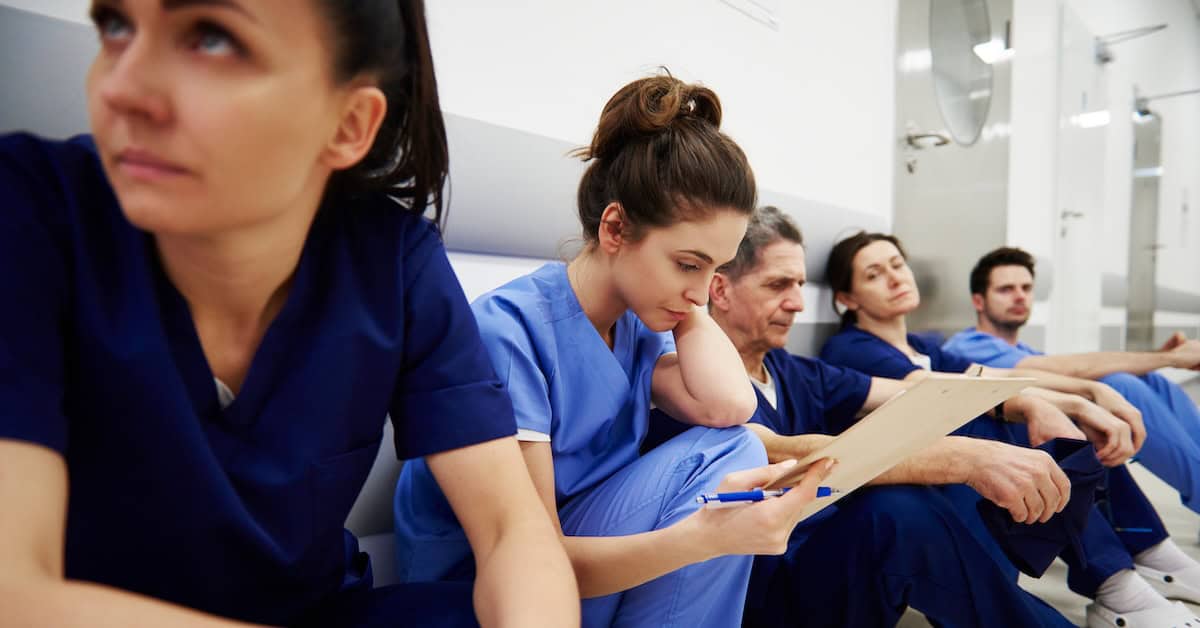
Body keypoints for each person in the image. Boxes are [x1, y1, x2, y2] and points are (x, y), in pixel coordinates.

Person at [0, 1, 578, 626]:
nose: (120, 89)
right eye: (116, 27)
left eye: (212, 38)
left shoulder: (392, 260)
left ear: (349, 124)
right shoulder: (32, 211)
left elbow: (511, 529)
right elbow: (15, 593)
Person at [394, 74, 832, 628]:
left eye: (716, 269)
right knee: (729, 465)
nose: (703, 292)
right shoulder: (509, 330)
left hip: (583, 552)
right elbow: (530, 558)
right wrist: (700, 540)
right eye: (688, 263)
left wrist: (688, 299)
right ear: (615, 228)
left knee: (738, 446)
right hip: (491, 586)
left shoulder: (637, 326)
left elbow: (729, 409)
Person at [646, 206, 1078, 627]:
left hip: (822, 563)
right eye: (779, 285)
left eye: (799, 284)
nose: (797, 304)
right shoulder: (690, 385)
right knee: (895, 515)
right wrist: (965, 459)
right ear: (719, 290)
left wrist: (1026, 403)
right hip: (761, 593)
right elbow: (782, 457)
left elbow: (917, 393)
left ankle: (1011, 597)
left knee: (973, 430)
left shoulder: (792, 371)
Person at [820, 231, 1200, 626]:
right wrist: (1054, 403)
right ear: (847, 298)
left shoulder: (925, 346)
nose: (896, 278)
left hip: (964, 492)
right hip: (924, 501)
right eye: (874, 274)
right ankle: (1118, 586)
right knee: (1000, 422)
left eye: (898, 265)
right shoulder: (851, 348)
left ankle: (1134, 574)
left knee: (1049, 422)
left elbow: (1001, 377)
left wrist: (1086, 394)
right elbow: (951, 393)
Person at [944, 246, 1200, 522]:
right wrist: (1170, 358)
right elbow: (1075, 369)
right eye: (1006, 289)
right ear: (979, 301)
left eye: (1026, 288)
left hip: (1052, 422)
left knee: (1151, 380)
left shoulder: (1025, 350)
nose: (1020, 296)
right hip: (1014, 433)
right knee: (1120, 383)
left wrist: (1157, 361)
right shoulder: (968, 347)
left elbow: (1074, 371)